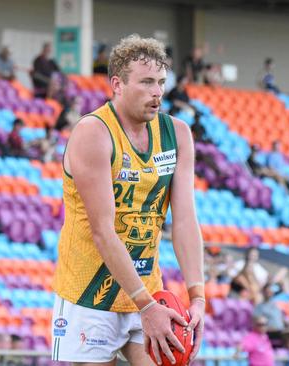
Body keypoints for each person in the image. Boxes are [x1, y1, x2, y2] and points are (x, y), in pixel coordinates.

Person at [51, 34, 204, 364]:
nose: (157, 92)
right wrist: (146, 306)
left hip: (147, 291)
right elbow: (103, 231)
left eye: (161, 82)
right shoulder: (94, 133)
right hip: (88, 295)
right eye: (147, 82)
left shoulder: (177, 134)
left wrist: (198, 296)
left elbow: (186, 221)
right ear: (117, 84)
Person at [253, 283, 289, 349]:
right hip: (270, 331)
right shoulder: (260, 307)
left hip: (280, 329)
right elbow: (257, 322)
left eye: (270, 292)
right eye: (267, 292)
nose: (269, 294)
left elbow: (281, 318)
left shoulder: (276, 305)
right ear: (263, 292)